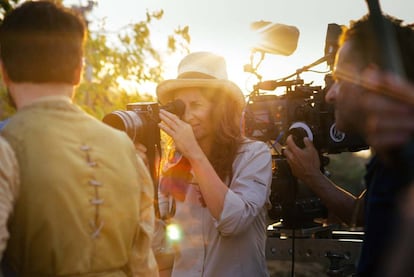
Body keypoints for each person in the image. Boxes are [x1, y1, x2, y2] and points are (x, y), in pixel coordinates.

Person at [0, 1, 158, 276]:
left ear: (3, 71)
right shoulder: (126, 150)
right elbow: (143, 267)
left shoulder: (6, 145)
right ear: (78, 71)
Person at [284, 15, 414, 276]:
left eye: (340, 79)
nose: (330, 95)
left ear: (376, 80)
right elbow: (363, 214)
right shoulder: (389, 163)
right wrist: (312, 175)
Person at [150, 51, 272, 276]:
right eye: (180, 106)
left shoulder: (253, 155)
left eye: (196, 105)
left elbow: (232, 222)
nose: (187, 116)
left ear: (220, 109)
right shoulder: (176, 164)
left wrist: (195, 154)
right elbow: (165, 233)